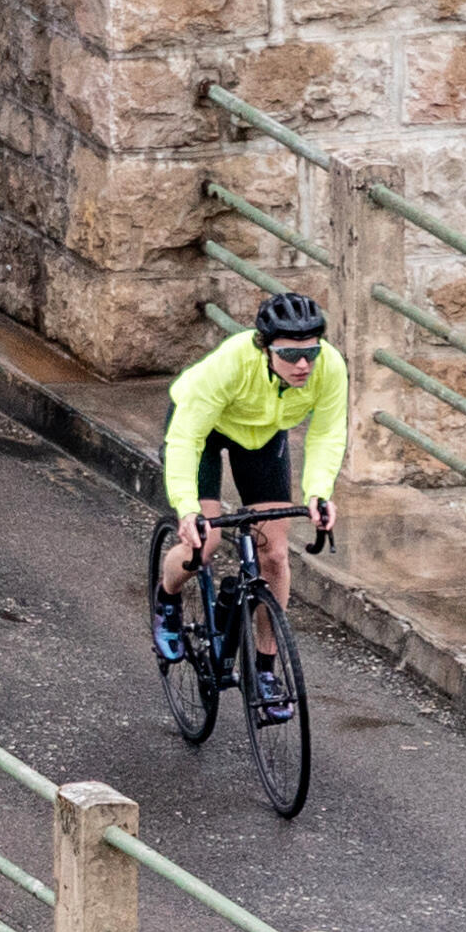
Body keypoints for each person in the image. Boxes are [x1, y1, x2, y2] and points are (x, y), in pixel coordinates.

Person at [152, 291, 343, 693]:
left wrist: (318, 493)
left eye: (311, 351)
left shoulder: (330, 368)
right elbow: (185, 438)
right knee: (204, 546)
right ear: (265, 347)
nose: (304, 364)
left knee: (273, 555)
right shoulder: (231, 364)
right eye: (290, 355)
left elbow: (327, 432)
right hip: (203, 431)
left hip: (261, 438)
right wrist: (188, 510)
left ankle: (267, 672)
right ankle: (167, 597)